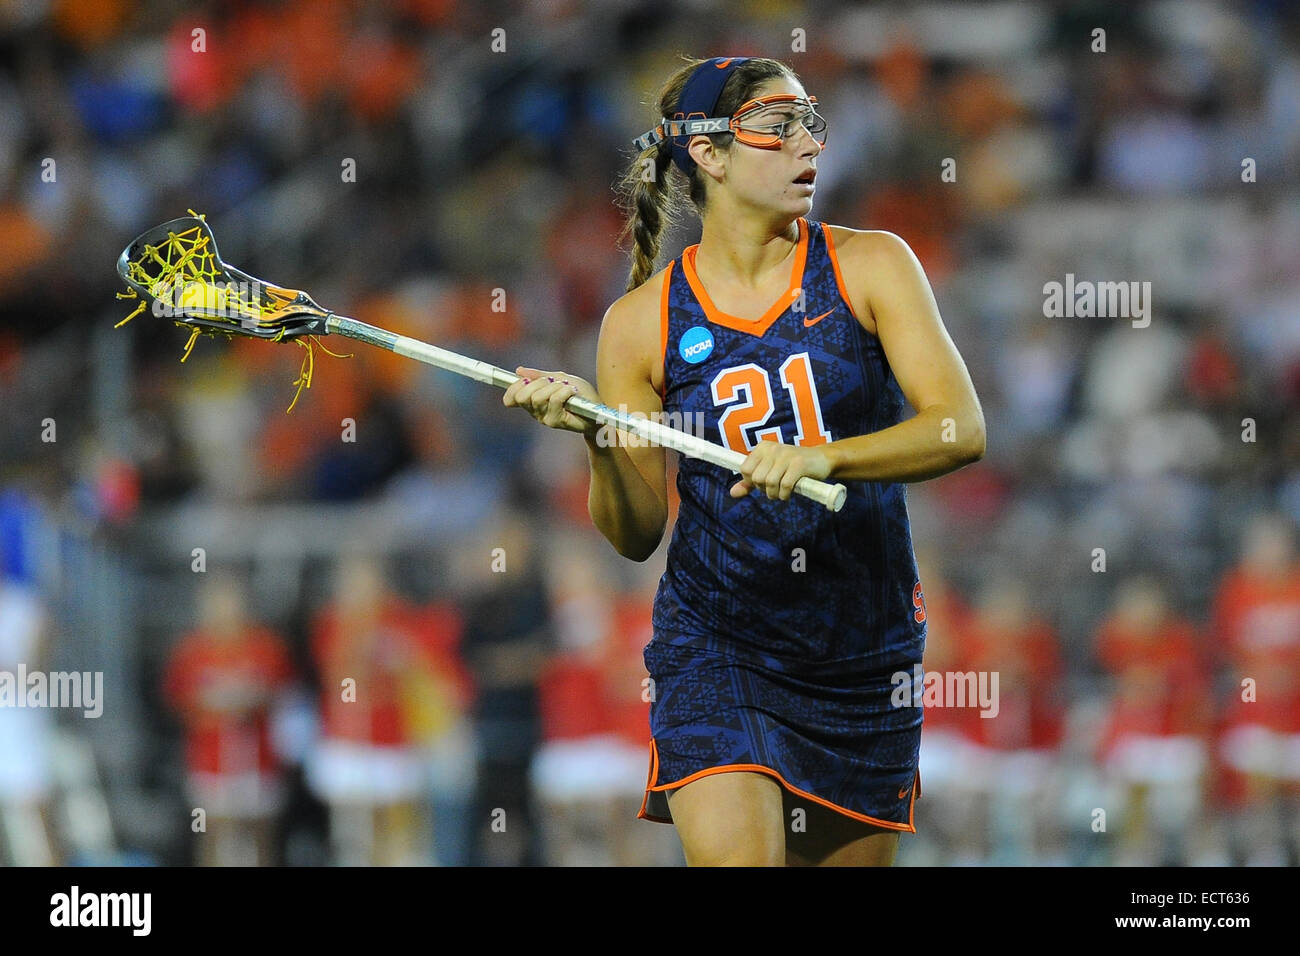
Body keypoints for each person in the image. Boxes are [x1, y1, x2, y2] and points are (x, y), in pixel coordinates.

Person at [503, 56, 984, 866]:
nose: (808, 147)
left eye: (811, 125)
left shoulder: (871, 264)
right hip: (718, 642)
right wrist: (593, 434)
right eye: (777, 127)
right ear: (709, 155)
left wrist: (824, 457)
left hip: (862, 653)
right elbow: (635, 532)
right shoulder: (640, 322)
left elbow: (958, 430)